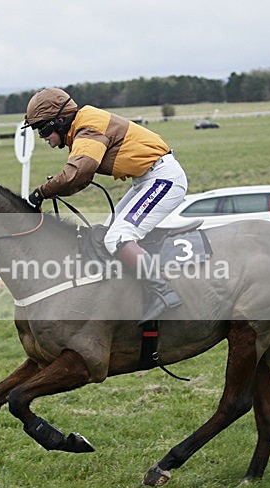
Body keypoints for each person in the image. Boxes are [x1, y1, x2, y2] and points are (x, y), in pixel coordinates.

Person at [23, 88, 188, 325]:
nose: (43, 137)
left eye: (44, 129)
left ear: (60, 120)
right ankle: (127, 293)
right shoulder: (83, 127)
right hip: (146, 179)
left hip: (163, 178)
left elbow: (77, 172)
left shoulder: (88, 127)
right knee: (106, 234)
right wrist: (50, 190)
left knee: (118, 237)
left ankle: (164, 293)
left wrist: (41, 192)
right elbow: (79, 178)